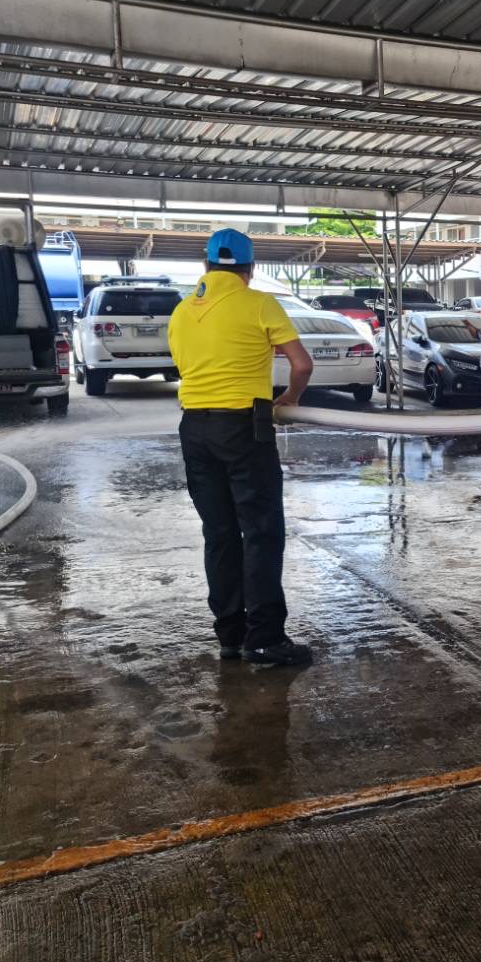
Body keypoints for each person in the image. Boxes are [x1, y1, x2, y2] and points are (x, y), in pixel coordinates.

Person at [168, 229, 315, 667]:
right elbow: (302, 364)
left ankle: (230, 636)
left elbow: (185, 367)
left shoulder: (181, 312)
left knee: (219, 533)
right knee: (261, 531)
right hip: (243, 427)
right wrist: (289, 399)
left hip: (194, 427)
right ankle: (265, 638)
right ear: (250, 268)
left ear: (206, 265)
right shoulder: (259, 303)